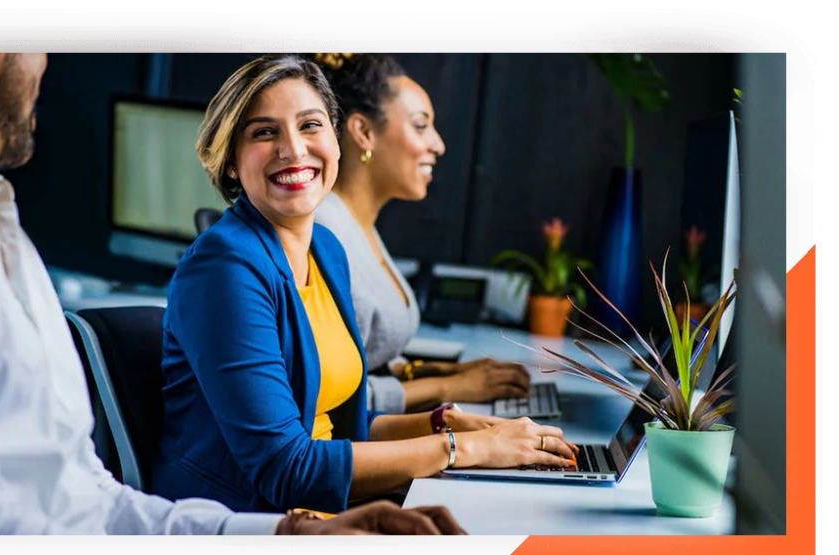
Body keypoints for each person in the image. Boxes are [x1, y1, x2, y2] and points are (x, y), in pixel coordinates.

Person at [0, 51, 468, 537]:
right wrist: (453, 449)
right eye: (266, 133)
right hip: (257, 501)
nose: (47, 60)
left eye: (311, 126)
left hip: (256, 522)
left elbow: (87, 497)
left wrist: (285, 539)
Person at [151, 53, 578, 517]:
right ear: (232, 162)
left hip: (322, 511)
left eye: (310, 125)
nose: (293, 149)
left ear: (336, 140)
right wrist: (463, 449)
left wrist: (445, 424)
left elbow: (341, 429)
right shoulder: (224, 267)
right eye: (264, 132)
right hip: (244, 522)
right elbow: (285, 467)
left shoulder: (327, 250)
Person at [310, 52, 533, 416]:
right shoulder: (325, 232)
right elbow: (326, 395)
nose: (438, 144)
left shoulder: (358, 224)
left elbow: (370, 358)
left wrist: (446, 371)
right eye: (420, 126)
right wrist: (447, 387)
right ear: (364, 132)